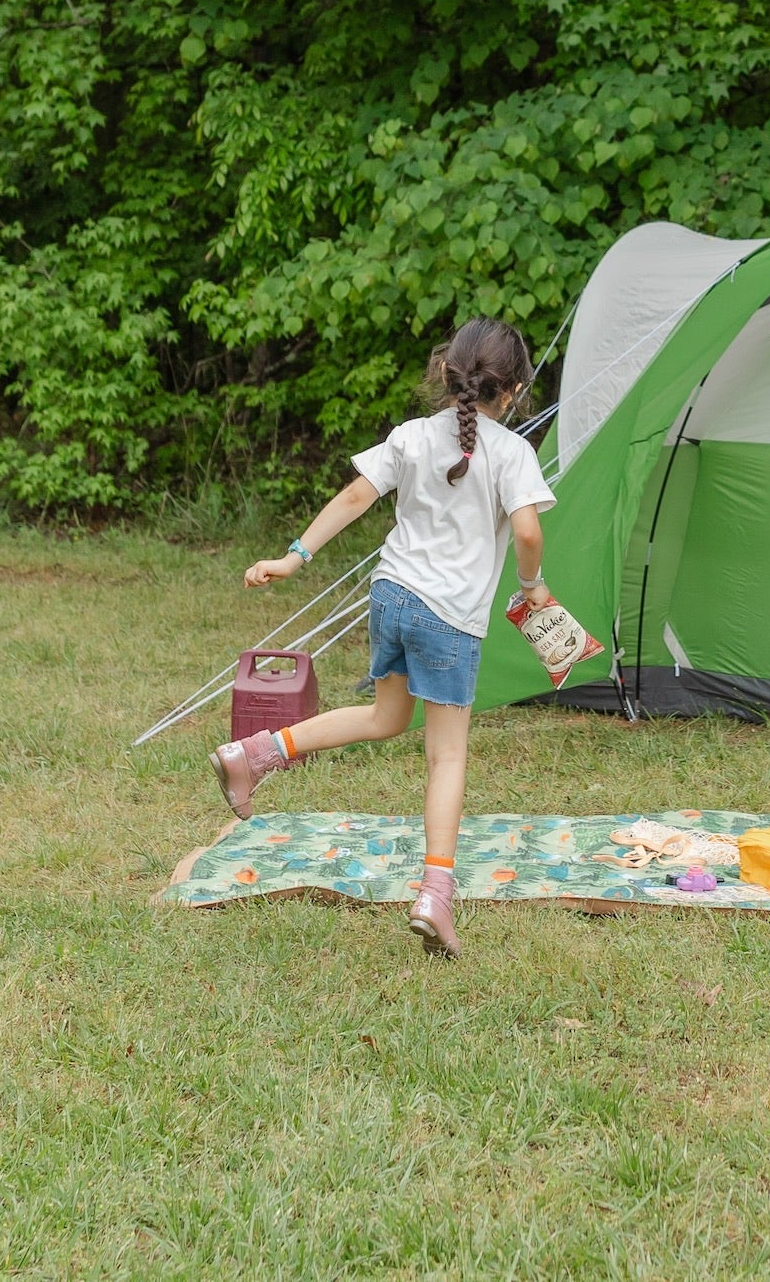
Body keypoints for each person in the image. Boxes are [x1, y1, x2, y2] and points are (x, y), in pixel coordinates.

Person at [209, 318, 556, 959]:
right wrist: (532, 584)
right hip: (449, 618)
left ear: (447, 373)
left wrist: (292, 558)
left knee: (385, 716)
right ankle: (436, 894)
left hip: (392, 597)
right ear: (510, 391)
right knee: (446, 757)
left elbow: (352, 498)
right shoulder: (511, 453)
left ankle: (252, 756)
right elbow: (529, 532)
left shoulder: (413, 436)